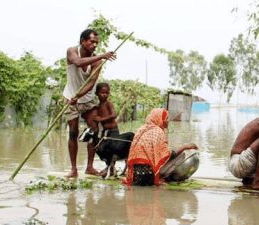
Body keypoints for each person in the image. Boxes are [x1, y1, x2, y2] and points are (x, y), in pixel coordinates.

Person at [63, 29, 117, 178]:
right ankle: (74, 169)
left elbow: (91, 83)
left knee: (94, 131)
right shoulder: (72, 51)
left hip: (86, 99)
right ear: (83, 41)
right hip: (70, 98)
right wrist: (102, 55)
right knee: (73, 132)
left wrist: (79, 95)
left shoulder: (97, 61)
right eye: (91, 42)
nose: (94, 45)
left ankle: (89, 167)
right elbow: (78, 62)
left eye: (96, 43)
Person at [122, 108, 198, 186]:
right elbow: (167, 155)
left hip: (135, 175)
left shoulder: (141, 130)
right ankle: (159, 178)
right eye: (166, 118)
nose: (168, 120)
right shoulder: (158, 131)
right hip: (148, 176)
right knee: (180, 156)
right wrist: (184, 146)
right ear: (159, 119)